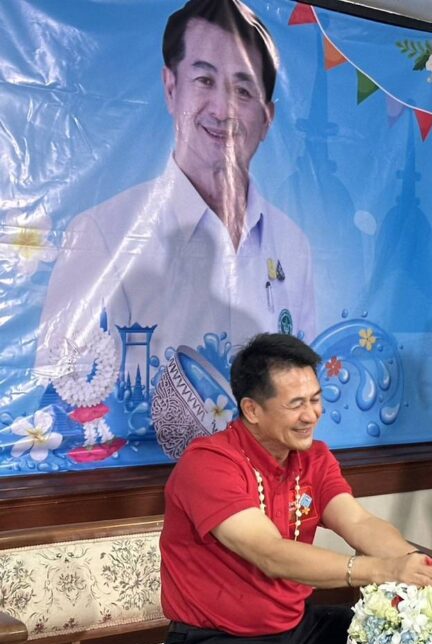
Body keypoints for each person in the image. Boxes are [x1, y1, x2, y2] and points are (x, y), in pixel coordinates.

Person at [160, 333, 432, 644]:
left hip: (294, 627)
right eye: (296, 404)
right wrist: (382, 570)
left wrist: (414, 563)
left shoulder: (313, 457)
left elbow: (359, 523)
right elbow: (270, 553)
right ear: (252, 410)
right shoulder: (209, 464)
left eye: (316, 399)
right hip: (211, 643)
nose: (311, 414)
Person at [35, 0, 315, 385]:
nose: (223, 110)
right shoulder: (100, 235)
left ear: (267, 119)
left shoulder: (292, 245)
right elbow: (62, 392)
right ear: (171, 88)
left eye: (243, 90)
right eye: (205, 81)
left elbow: (304, 389)